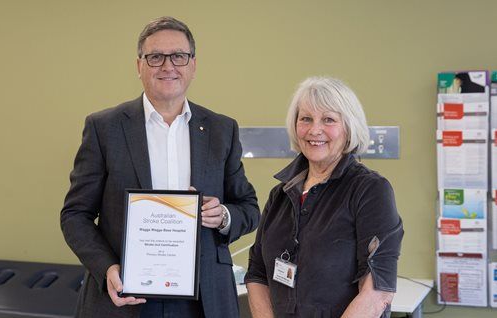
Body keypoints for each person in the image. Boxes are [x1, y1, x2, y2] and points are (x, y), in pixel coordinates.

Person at [60, 16, 260, 318]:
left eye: (179, 56)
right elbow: (75, 215)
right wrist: (108, 267)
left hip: (203, 300)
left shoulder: (222, 130)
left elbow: (249, 207)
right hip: (127, 296)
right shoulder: (105, 128)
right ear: (139, 66)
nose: (168, 66)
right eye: (155, 57)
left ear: (193, 65)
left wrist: (223, 216)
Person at [245, 76, 404, 318]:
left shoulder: (370, 191)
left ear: (348, 128)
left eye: (328, 119)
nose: (314, 130)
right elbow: (257, 273)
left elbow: (378, 291)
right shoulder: (280, 194)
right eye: (306, 119)